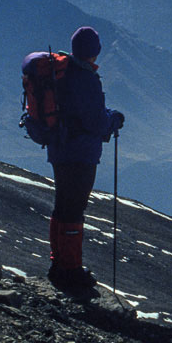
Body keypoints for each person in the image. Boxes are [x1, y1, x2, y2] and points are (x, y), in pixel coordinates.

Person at [46, 25, 124, 298]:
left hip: (59, 149)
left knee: (62, 206)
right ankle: (71, 269)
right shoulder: (85, 78)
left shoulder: (64, 72)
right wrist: (114, 119)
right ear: (94, 51)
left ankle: (59, 264)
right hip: (79, 154)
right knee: (74, 210)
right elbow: (96, 121)